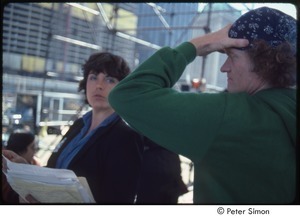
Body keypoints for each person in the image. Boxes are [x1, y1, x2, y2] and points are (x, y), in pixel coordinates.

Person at [108, 7, 297, 204]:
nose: (224, 67)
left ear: (262, 61)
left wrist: (200, 43)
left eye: (231, 56)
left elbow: (127, 94)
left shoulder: (228, 116)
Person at [3, 52, 144, 204]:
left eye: (109, 79)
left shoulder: (126, 137)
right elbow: (55, 173)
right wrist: (26, 170)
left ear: (121, 87)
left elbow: (118, 202)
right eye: (93, 77)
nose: (99, 85)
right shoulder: (79, 126)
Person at [2, 130, 40, 203]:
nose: (35, 151)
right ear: (21, 149)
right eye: (32, 147)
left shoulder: (35, 162)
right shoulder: (5, 168)